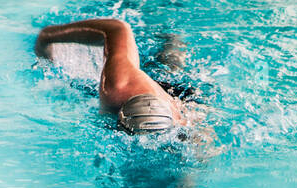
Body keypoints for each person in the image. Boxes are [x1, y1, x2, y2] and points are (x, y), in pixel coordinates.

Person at [34, 16, 189, 136]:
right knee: (165, 69)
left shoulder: (182, 123)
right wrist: (47, 37)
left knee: (171, 68)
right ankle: (170, 34)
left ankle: (173, 35)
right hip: (141, 87)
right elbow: (117, 28)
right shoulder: (117, 85)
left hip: (178, 101)